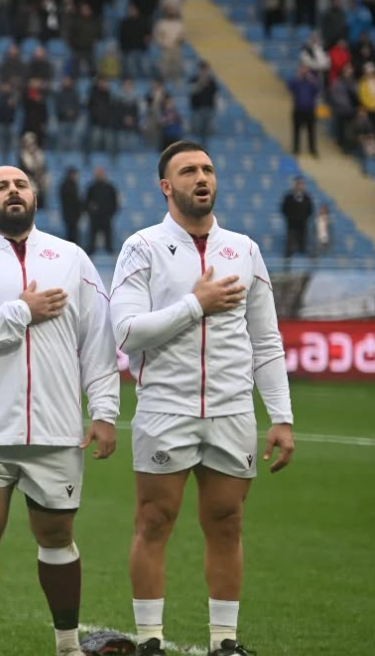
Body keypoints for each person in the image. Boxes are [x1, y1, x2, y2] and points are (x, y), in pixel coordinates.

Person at [110, 141, 295, 656]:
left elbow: (266, 340)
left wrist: (281, 416)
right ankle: (149, 640)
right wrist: (197, 303)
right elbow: (126, 331)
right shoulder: (142, 247)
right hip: (165, 408)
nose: (202, 177)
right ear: (166, 186)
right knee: (153, 521)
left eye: (208, 169)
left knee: (228, 523)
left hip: (232, 410)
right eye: (189, 170)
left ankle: (224, 642)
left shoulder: (244, 249)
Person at [0, 165, 121, 656]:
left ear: (34, 196)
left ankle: (67, 646)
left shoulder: (71, 257)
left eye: (20, 185)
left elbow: (97, 340)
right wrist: (19, 311)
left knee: (58, 534)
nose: (13, 191)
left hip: (57, 429)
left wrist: (104, 411)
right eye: (0, 186)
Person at [280, 176, 313, 257]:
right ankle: (288, 259)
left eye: (301, 184)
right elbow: (284, 209)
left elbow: (310, 210)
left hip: (303, 225)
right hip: (291, 225)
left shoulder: (307, 198)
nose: (299, 186)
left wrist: (304, 218)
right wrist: (290, 218)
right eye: (298, 184)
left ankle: (303, 256)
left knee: (303, 246)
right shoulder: (288, 197)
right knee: (290, 246)